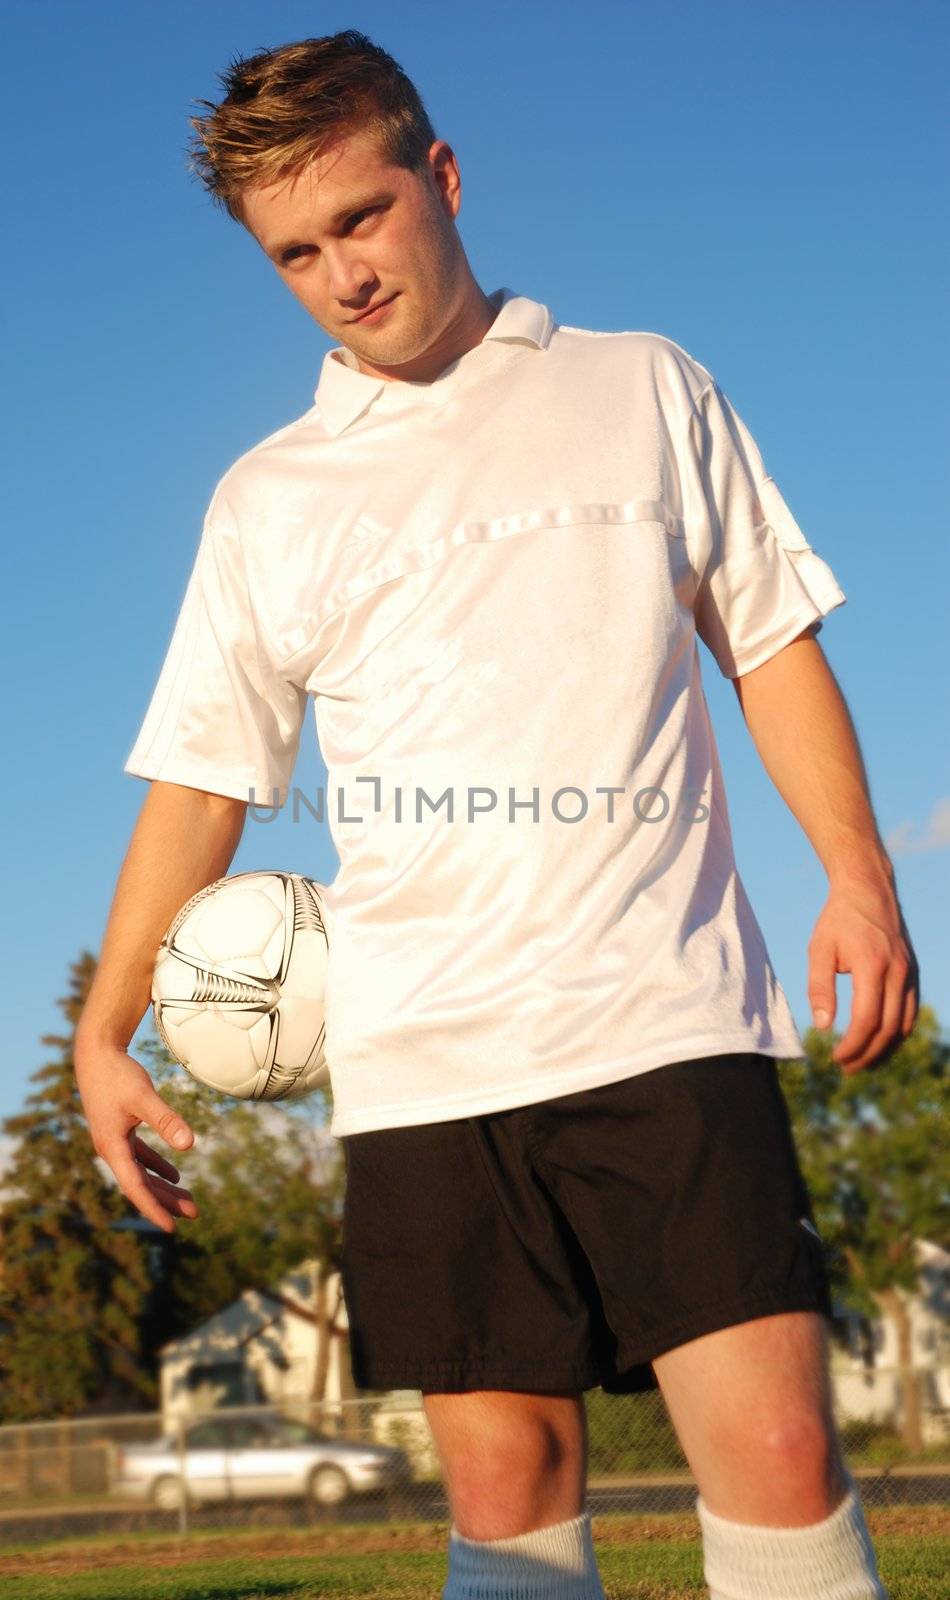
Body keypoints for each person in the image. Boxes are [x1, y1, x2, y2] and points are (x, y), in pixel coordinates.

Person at [75, 29, 918, 1600]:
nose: (341, 273)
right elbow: (201, 776)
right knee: (504, 1489)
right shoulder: (270, 498)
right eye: (296, 254)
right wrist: (106, 1023)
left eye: (363, 218)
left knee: (783, 1460)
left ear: (441, 177)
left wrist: (858, 878)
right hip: (421, 1064)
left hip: (663, 1019)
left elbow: (772, 644)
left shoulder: (640, 385)